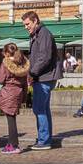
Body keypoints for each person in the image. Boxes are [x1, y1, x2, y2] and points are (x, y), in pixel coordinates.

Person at [24, 10, 61, 149]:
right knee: (43, 109)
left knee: (39, 109)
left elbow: (44, 57)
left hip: (44, 77)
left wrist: (32, 73)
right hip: (43, 76)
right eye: (25, 25)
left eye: (27, 24)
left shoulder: (43, 33)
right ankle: (45, 137)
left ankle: (44, 140)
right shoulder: (37, 34)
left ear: (35, 21)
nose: (26, 27)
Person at [0, 43, 29, 154]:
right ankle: (11, 144)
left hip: (9, 92)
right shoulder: (23, 64)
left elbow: (0, 79)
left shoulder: (6, 63)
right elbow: (25, 82)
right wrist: (24, 96)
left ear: (6, 53)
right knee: (12, 118)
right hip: (18, 92)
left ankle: (14, 145)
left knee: (11, 120)